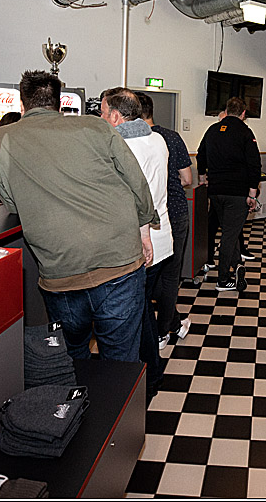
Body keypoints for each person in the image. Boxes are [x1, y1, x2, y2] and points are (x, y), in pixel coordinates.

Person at [0, 71, 157, 363]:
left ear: (22, 104)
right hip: (119, 261)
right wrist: (145, 227)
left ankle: (78, 406)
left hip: (60, 271)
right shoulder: (95, 127)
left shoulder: (5, 137)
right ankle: (121, 408)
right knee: (121, 359)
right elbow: (136, 183)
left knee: (73, 356)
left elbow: (9, 200)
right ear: (59, 103)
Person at [101, 87, 173, 392]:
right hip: (163, 237)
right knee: (142, 309)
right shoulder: (156, 138)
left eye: (103, 113)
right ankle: (151, 373)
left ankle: (148, 378)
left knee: (136, 317)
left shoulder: (123, 148)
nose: (100, 118)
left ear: (116, 117)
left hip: (139, 242)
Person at [136, 93, 194, 348]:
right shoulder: (170, 136)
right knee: (170, 276)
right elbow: (188, 179)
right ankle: (164, 329)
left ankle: (164, 326)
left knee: (149, 277)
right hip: (176, 211)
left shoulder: (129, 141)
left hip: (146, 217)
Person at [196, 96, 261, 293]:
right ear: (243, 114)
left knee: (229, 231)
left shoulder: (213, 130)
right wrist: (252, 192)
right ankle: (223, 279)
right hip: (237, 192)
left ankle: (237, 265)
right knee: (229, 236)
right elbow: (254, 164)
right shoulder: (245, 132)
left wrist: (202, 178)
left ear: (226, 110)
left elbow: (200, 155)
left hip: (215, 191)